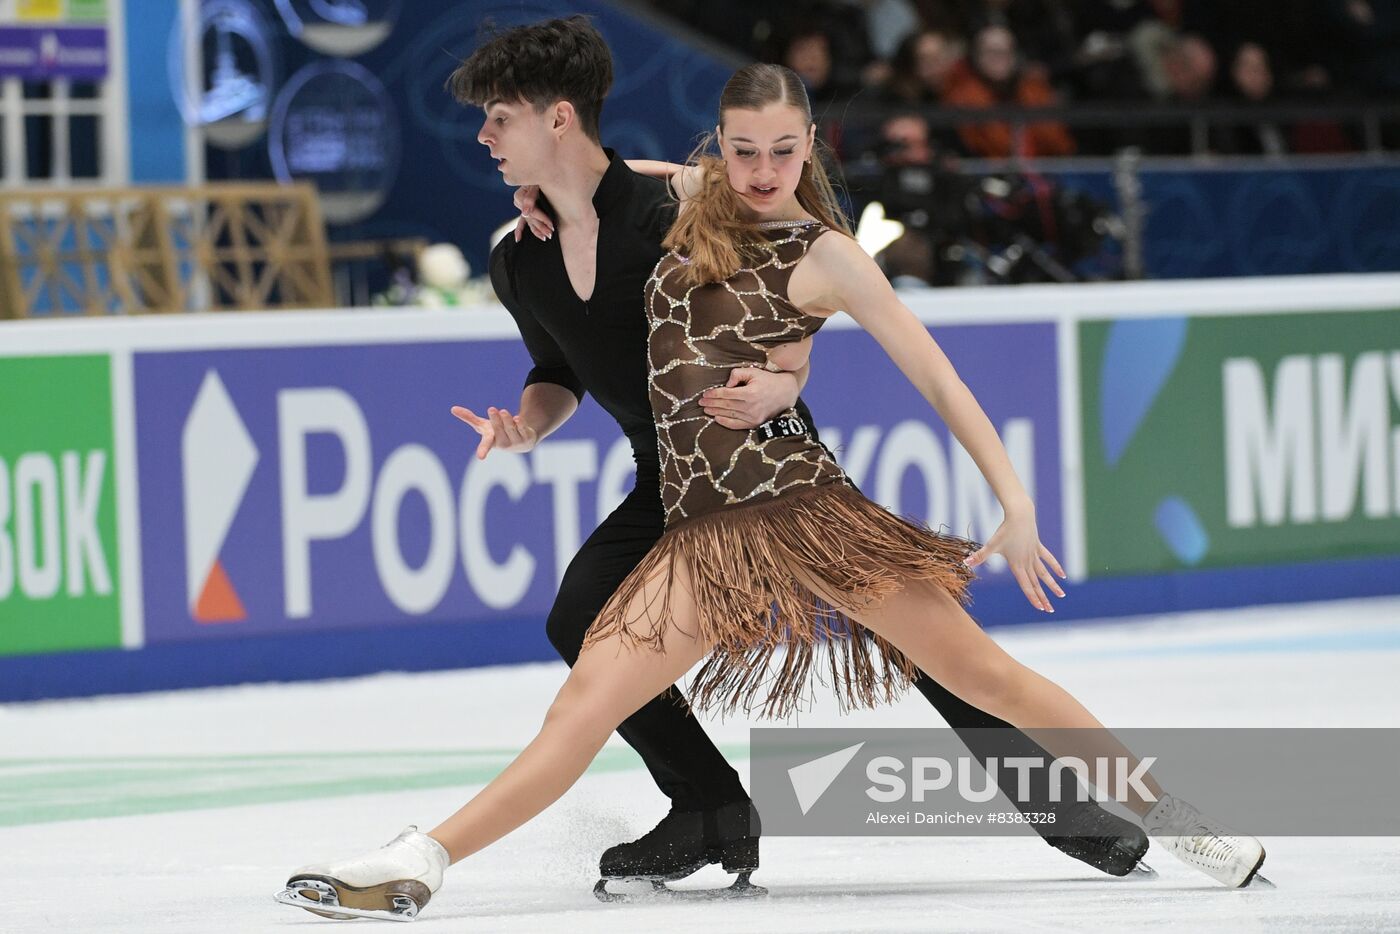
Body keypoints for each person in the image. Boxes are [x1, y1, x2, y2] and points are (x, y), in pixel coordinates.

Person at [275, 28, 1265, 926]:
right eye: (739, 150)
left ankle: (1179, 820)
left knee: (985, 675)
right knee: (580, 701)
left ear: (806, 146)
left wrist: (1010, 499)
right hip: (701, 531)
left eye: (780, 151)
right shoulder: (688, 202)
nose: (758, 171)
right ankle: (421, 861)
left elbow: (936, 375)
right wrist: (546, 195)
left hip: (805, 507)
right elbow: (622, 181)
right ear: (720, 147)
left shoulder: (829, 253)